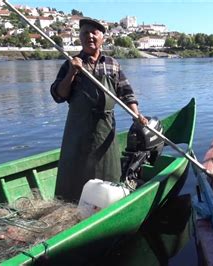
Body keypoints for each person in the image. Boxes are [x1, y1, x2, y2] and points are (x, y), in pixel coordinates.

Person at [50, 18, 148, 201]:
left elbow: (127, 93)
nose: (90, 36)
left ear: (102, 37)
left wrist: (136, 114)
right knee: (75, 174)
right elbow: (58, 95)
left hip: (105, 129)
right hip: (78, 131)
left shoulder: (112, 64)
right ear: (80, 37)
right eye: (85, 32)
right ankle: (73, 206)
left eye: (94, 32)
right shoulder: (70, 64)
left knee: (108, 174)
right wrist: (72, 72)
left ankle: (106, 204)